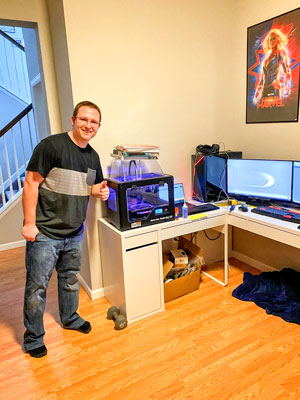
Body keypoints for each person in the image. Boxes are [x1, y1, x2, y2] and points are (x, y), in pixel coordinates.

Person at [22, 100, 109, 358]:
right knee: (36, 287)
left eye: (93, 122)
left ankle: (70, 318)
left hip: (75, 231)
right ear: (73, 120)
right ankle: (33, 337)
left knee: (70, 280)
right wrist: (29, 223)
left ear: (99, 126)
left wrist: (100, 192)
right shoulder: (51, 146)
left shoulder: (92, 156)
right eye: (84, 119)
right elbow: (31, 183)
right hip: (45, 232)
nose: (88, 125)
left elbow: (88, 187)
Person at [253, 28, 291, 104]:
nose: (272, 41)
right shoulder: (266, 60)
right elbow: (262, 79)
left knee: (274, 112)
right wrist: (257, 93)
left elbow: (287, 71)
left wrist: (286, 89)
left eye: (274, 39)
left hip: (274, 89)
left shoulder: (281, 53)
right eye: (270, 39)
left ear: (278, 40)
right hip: (264, 90)